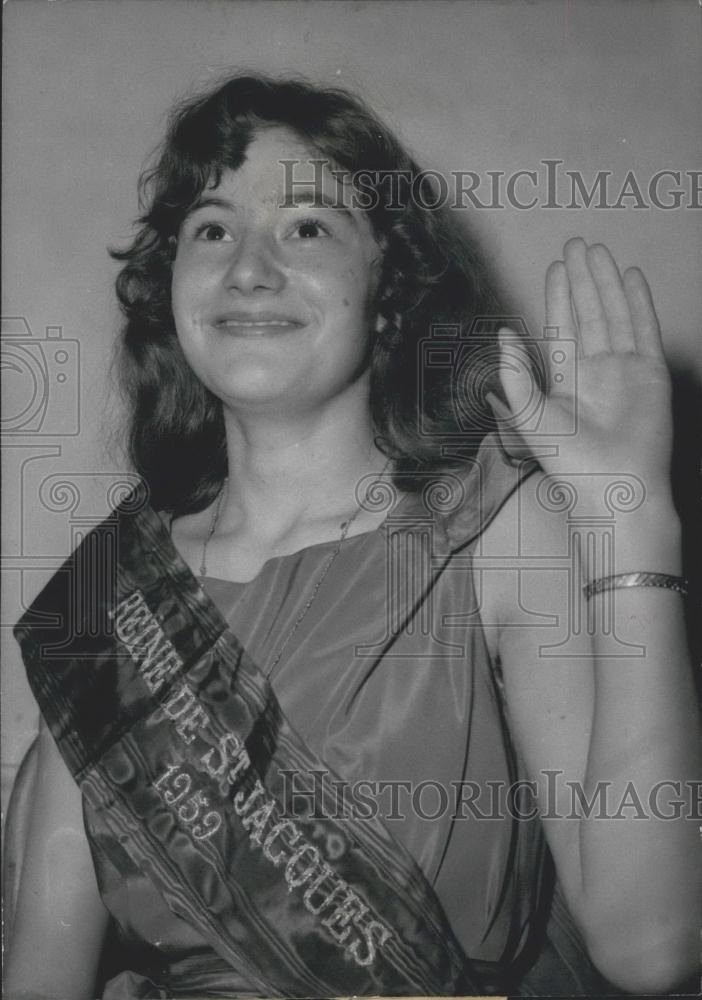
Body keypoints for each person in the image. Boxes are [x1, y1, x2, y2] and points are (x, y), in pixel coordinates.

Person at [4, 74, 700, 999]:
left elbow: (651, 944)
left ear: (388, 288)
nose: (247, 268)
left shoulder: (496, 530)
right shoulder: (109, 596)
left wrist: (629, 519)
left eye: (306, 226)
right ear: (169, 284)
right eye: (210, 229)